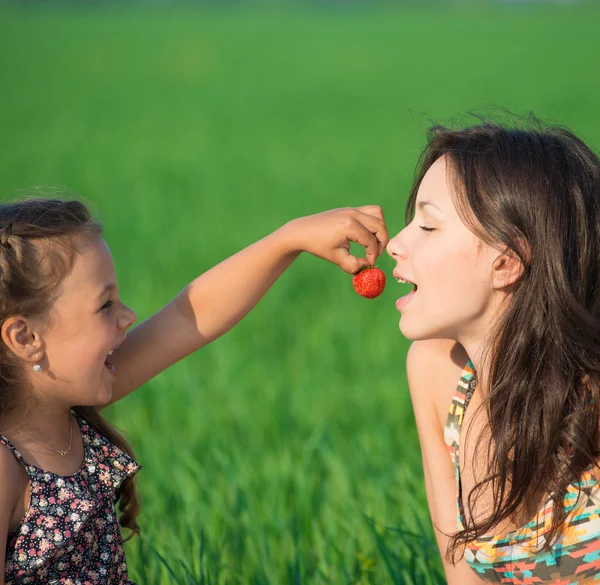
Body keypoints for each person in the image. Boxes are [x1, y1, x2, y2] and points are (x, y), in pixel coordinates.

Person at [0, 197, 388, 585]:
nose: (128, 316)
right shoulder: (6, 467)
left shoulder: (76, 403)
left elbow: (188, 318)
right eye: (105, 305)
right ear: (26, 337)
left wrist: (290, 239)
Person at [386, 119, 600, 584]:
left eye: (427, 225)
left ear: (507, 262)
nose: (395, 244)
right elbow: (462, 576)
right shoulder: (435, 373)